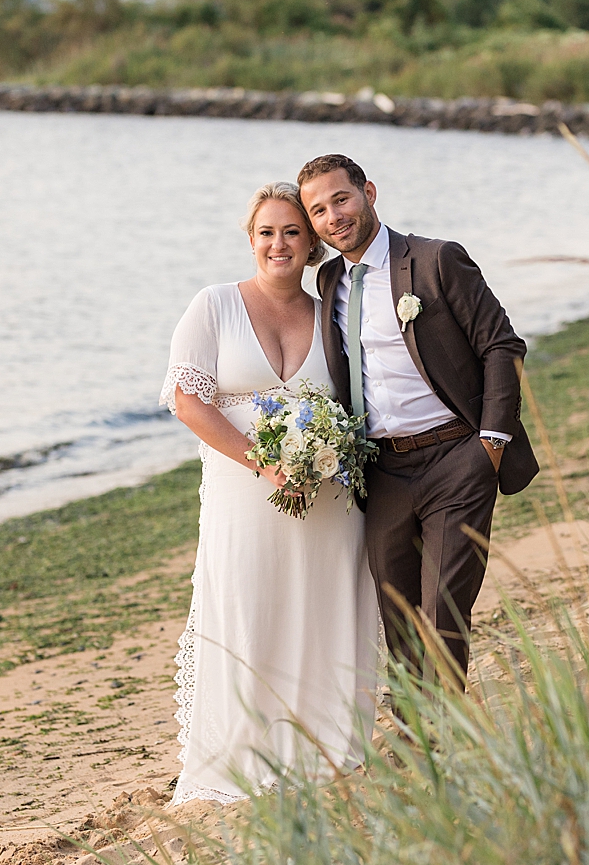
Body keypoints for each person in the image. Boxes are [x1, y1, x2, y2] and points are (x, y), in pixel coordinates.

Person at [160, 182, 379, 807]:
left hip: (327, 500)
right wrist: (268, 464)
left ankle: (324, 744)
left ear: (311, 243)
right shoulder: (214, 305)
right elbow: (187, 401)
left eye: (291, 232)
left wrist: (327, 454)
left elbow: (357, 396)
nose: (277, 243)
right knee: (247, 606)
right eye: (266, 232)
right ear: (250, 239)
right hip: (243, 493)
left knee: (320, 606)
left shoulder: (332, 314)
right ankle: (245, 750)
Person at [299, 153, 538, 686]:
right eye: (318, 211)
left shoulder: (435, 260)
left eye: (341, 198)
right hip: (384, 473)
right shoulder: (328, 282)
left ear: (370, 193)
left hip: (459, 458)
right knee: (399, 618)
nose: (334, 216)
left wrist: (490, 445)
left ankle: (446, 737)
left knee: (444, 611)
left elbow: (502, 345)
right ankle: (416, 741)